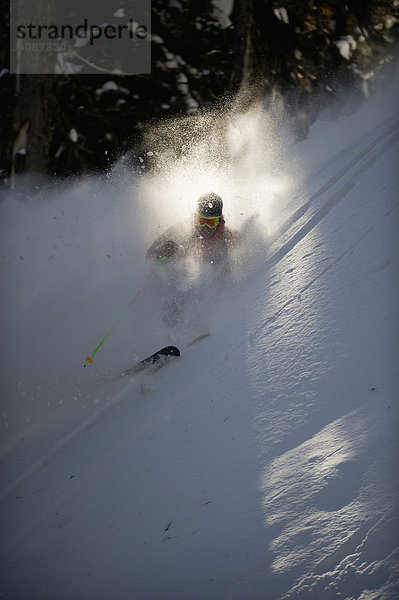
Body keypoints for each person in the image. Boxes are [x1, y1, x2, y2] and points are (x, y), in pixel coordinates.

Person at [146, 192, 236, 267]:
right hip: (180, 281)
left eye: (211, 222)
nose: (205, 227)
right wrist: (161, 254)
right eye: (201, 220)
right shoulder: (183, 229)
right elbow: (149, 256)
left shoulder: (226, 238)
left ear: (219, 222)